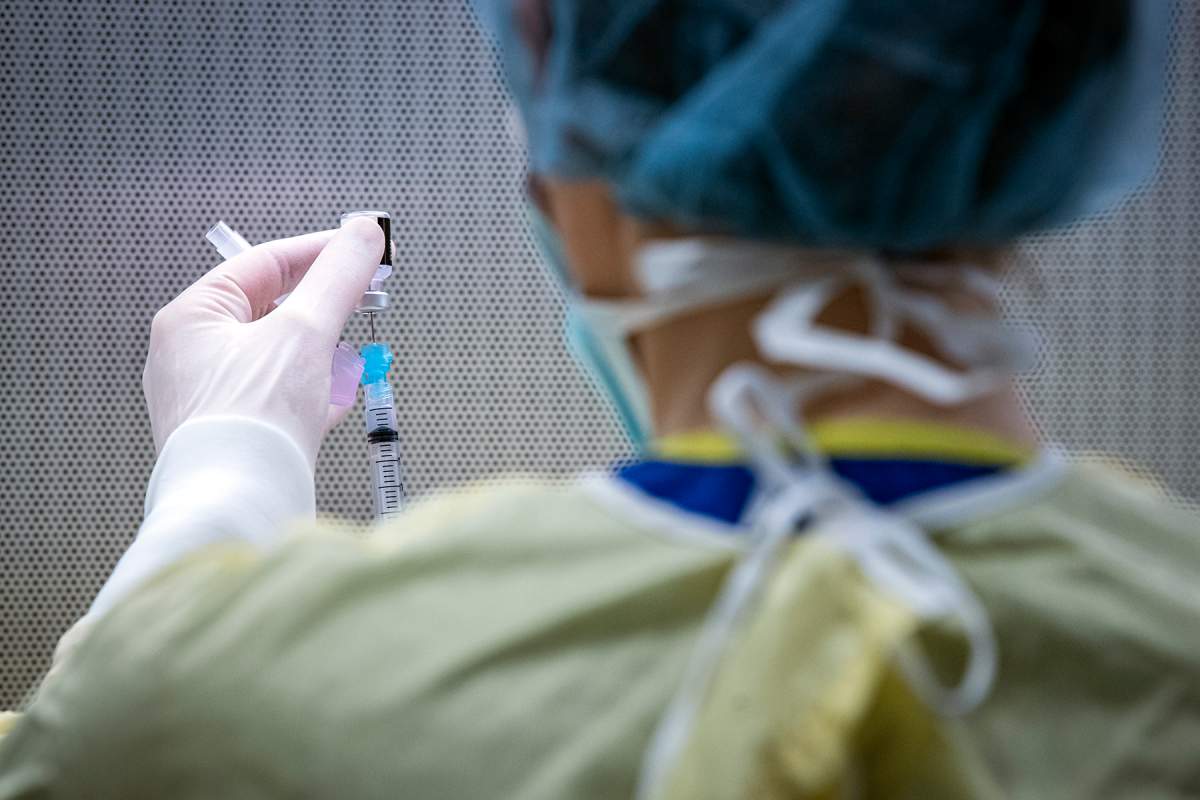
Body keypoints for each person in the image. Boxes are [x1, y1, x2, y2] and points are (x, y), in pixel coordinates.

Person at [2, 1, 1197, 797]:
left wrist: (220, 479)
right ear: (1043, 101)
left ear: (566, 112)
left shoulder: (247, 684)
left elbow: (95, 749)